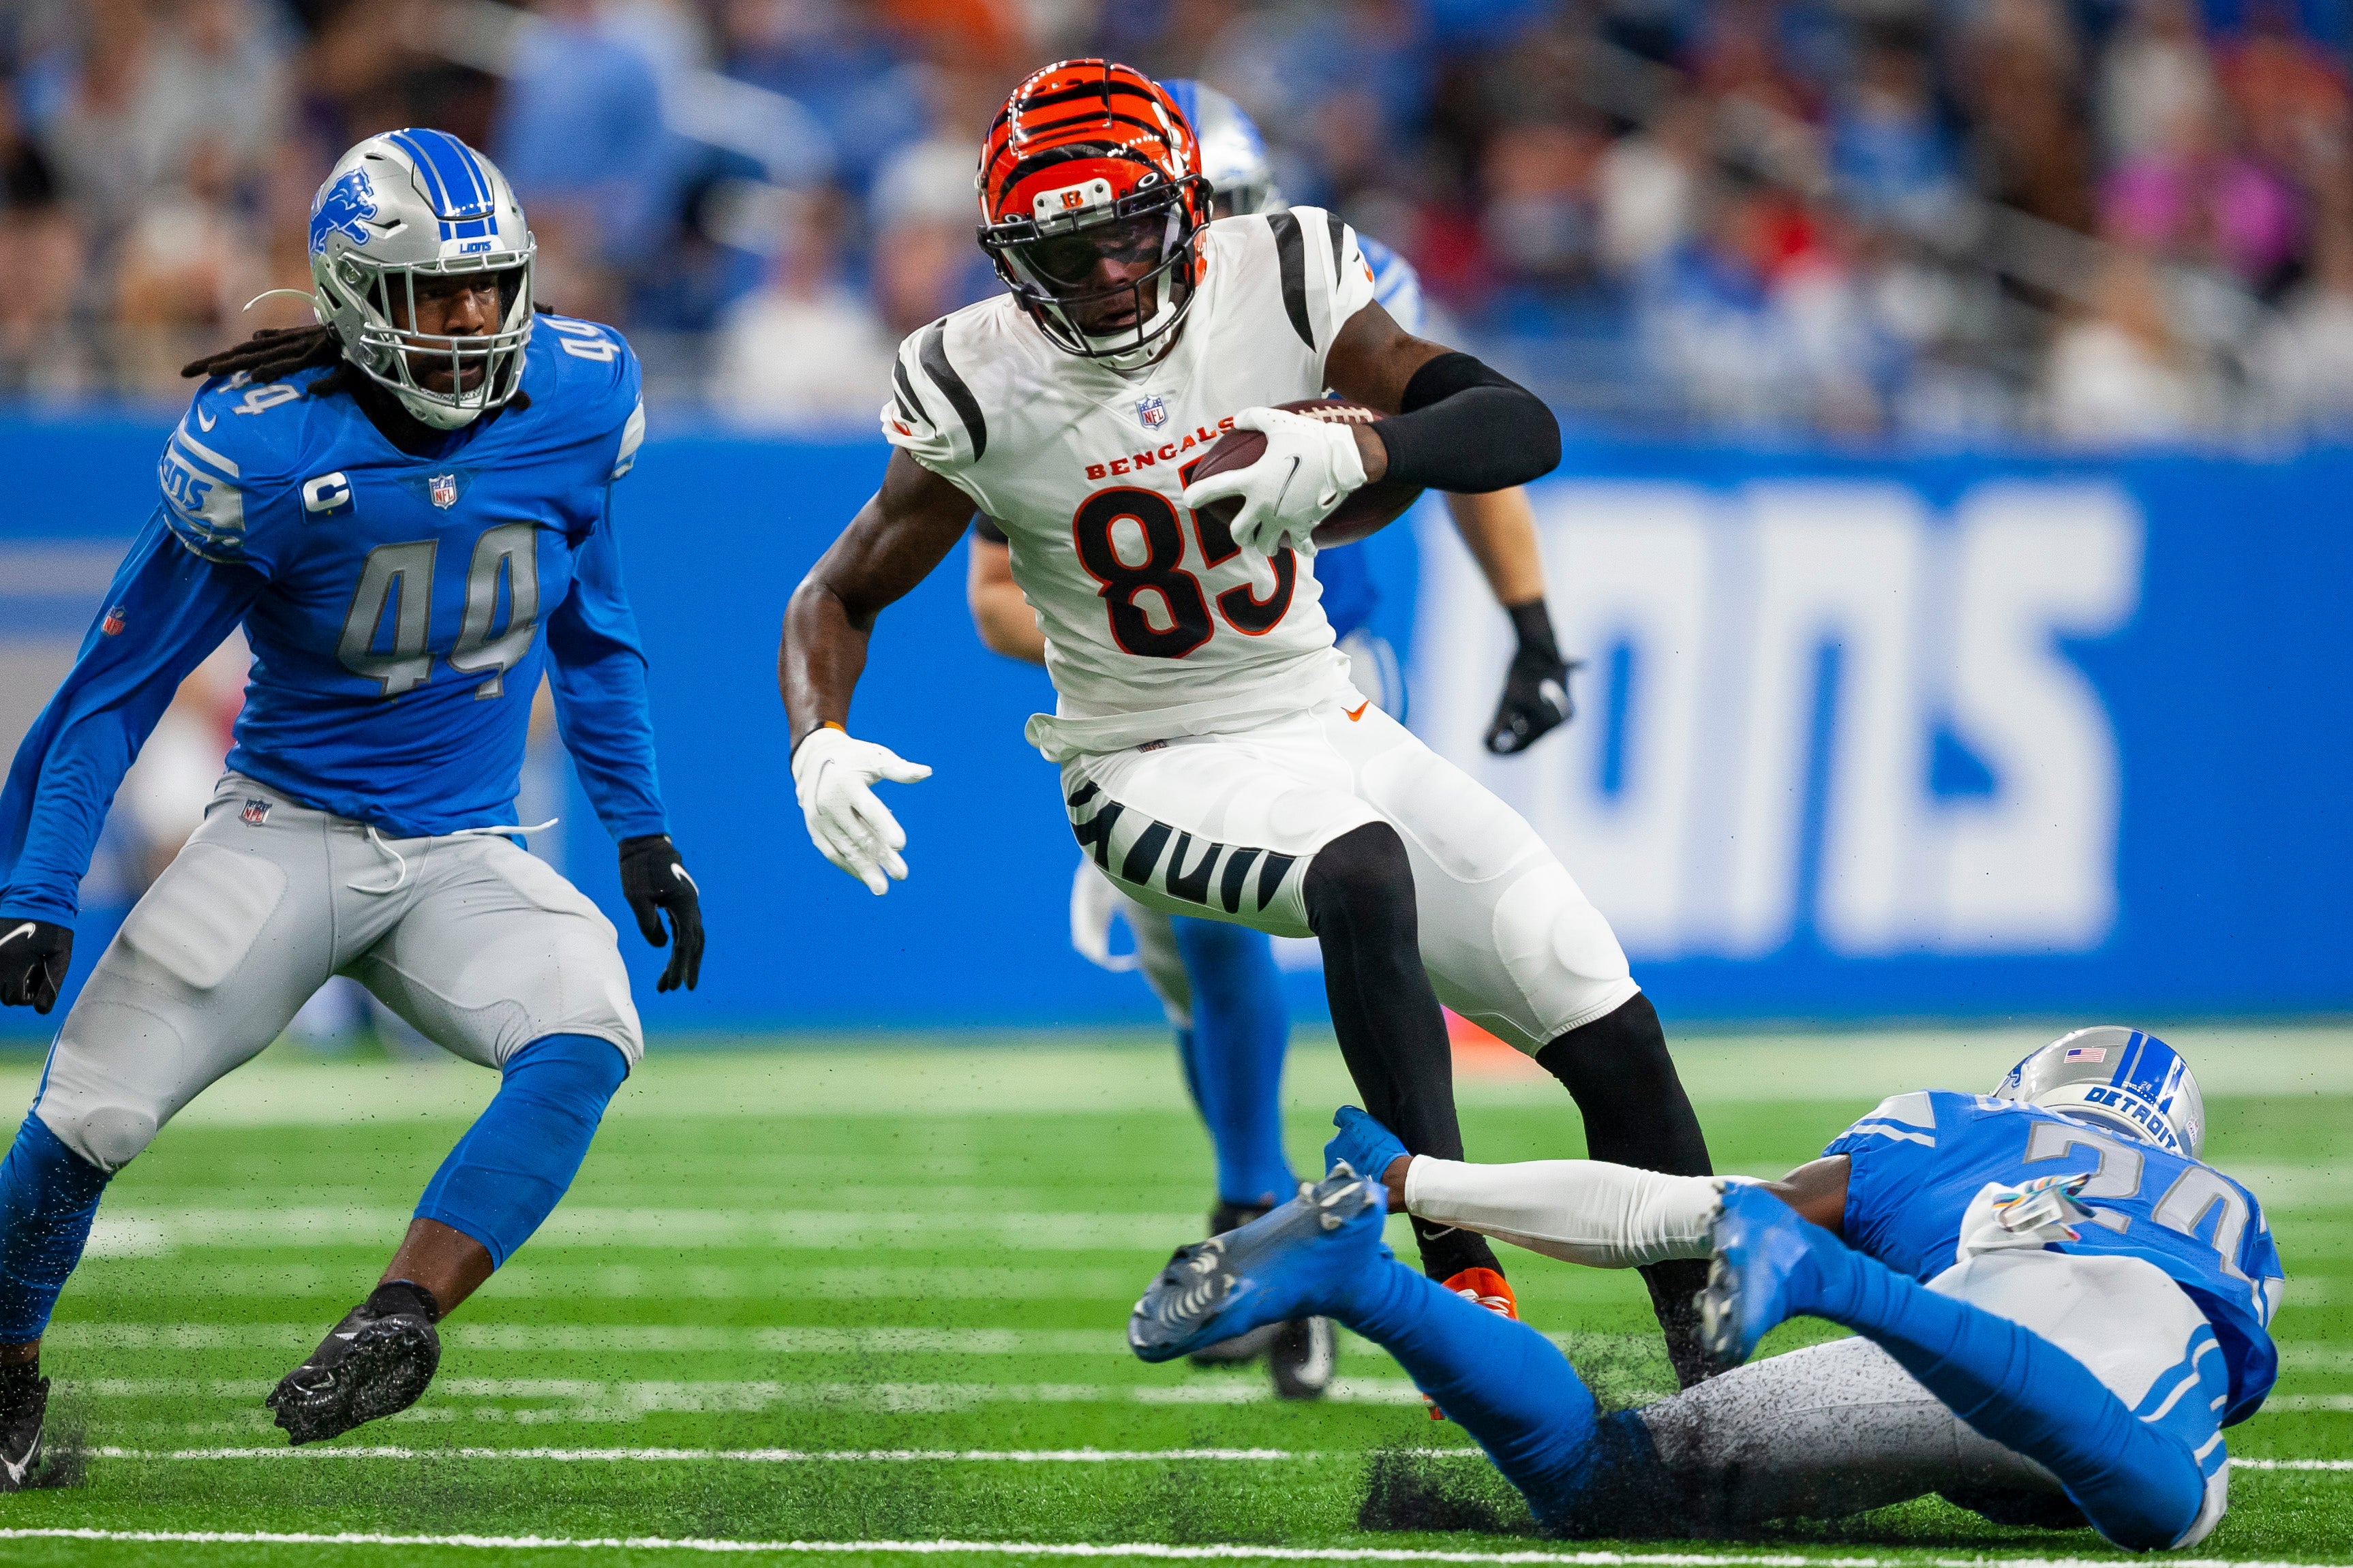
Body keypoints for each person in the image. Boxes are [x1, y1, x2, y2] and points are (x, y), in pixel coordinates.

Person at [780, 60, 1716, 1383]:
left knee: (1600, 1007)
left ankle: (1715, 1365)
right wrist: (817, 734)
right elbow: (842, 586)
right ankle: (1460, 1281)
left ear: (1187, 209)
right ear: (1007, 259)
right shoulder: (973, 375)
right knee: (1359, 865)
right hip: (1139, 761)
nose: (1106, 274)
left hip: (1319, 709)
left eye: (1126, 233)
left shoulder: (1286, 271)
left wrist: (1362, 449)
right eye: (1065, 249)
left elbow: (1519, 427)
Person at [0, 129, 705, 1479]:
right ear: (353, 297)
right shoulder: (264, 449)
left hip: (459, 849)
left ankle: (395, 1317)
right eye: (435, 295)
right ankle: (1, 1373)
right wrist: (36, 886)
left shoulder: (579, 388)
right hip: (284, 834)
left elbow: (598, 636)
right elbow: (114, 685)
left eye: (490, 288)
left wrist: (643, 828)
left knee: (587, 1021)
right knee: (88, 1115)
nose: (470, 321)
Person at [963, 79, 1579, 1401]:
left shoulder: (1324, 286)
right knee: (1202, 948)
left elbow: (1467, 444)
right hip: (1164, 692)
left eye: (1203, 215)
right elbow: (993, 592)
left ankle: (1392, 1230)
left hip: (1321, 669)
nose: (1147, 267)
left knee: (1388, 929)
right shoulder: (1043, 364)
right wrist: (1117, 646)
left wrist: (1530, 619)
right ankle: (1273, 1215)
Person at [1131, 1027, 2279, 1550]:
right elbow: (2217, 1373)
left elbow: (1667, 1212)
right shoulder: (2220, 1204)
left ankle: (1366, 1286)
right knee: (2166, 1506)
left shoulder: (1956, 1127)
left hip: (1951, 1340)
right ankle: (1837, 1284)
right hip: (2089, 1366)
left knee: (1597, 1476)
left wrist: (1421, 1177)